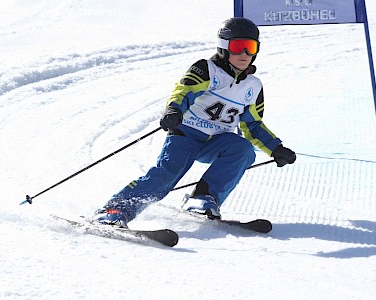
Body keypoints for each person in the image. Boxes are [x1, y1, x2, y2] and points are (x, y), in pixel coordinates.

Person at [92, 17, 296, 228]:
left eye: (250, 47)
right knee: (166, 177)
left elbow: (252, 125)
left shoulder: (253, 86)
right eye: (238, 47)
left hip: (218, 141)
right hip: (186, 135)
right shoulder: (207, 69)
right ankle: (114, 210)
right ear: (224, 47)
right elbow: (184, 91)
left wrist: (276, 148)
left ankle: (203, 199)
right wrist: (174, 110)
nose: (244, 54)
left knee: (243, 149)